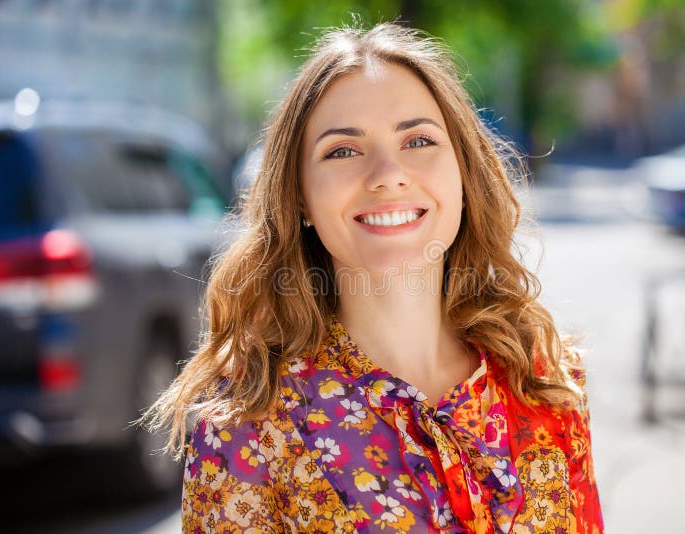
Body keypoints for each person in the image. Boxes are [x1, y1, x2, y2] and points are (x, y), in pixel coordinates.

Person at [143, 22, 603, 533]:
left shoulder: (545, 379)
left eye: (419, 140)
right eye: (342, 150)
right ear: (300, 200)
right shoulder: (250, 426)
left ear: (464, 174)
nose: (387, 172)